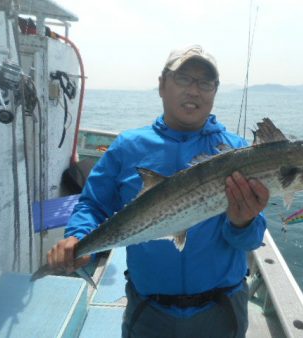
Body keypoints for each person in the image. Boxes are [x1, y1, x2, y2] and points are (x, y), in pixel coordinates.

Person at [47, 44, 270, 338]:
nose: (194, 90)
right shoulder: (128, 148)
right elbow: (93, 205)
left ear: (215, 92)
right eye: (184, 79)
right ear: (162, 85)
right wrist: (77, 236)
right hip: (149, 311)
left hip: (221, 310)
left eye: (205, 82)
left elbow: (252, 239)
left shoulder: (238, 152)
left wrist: (244, 222)